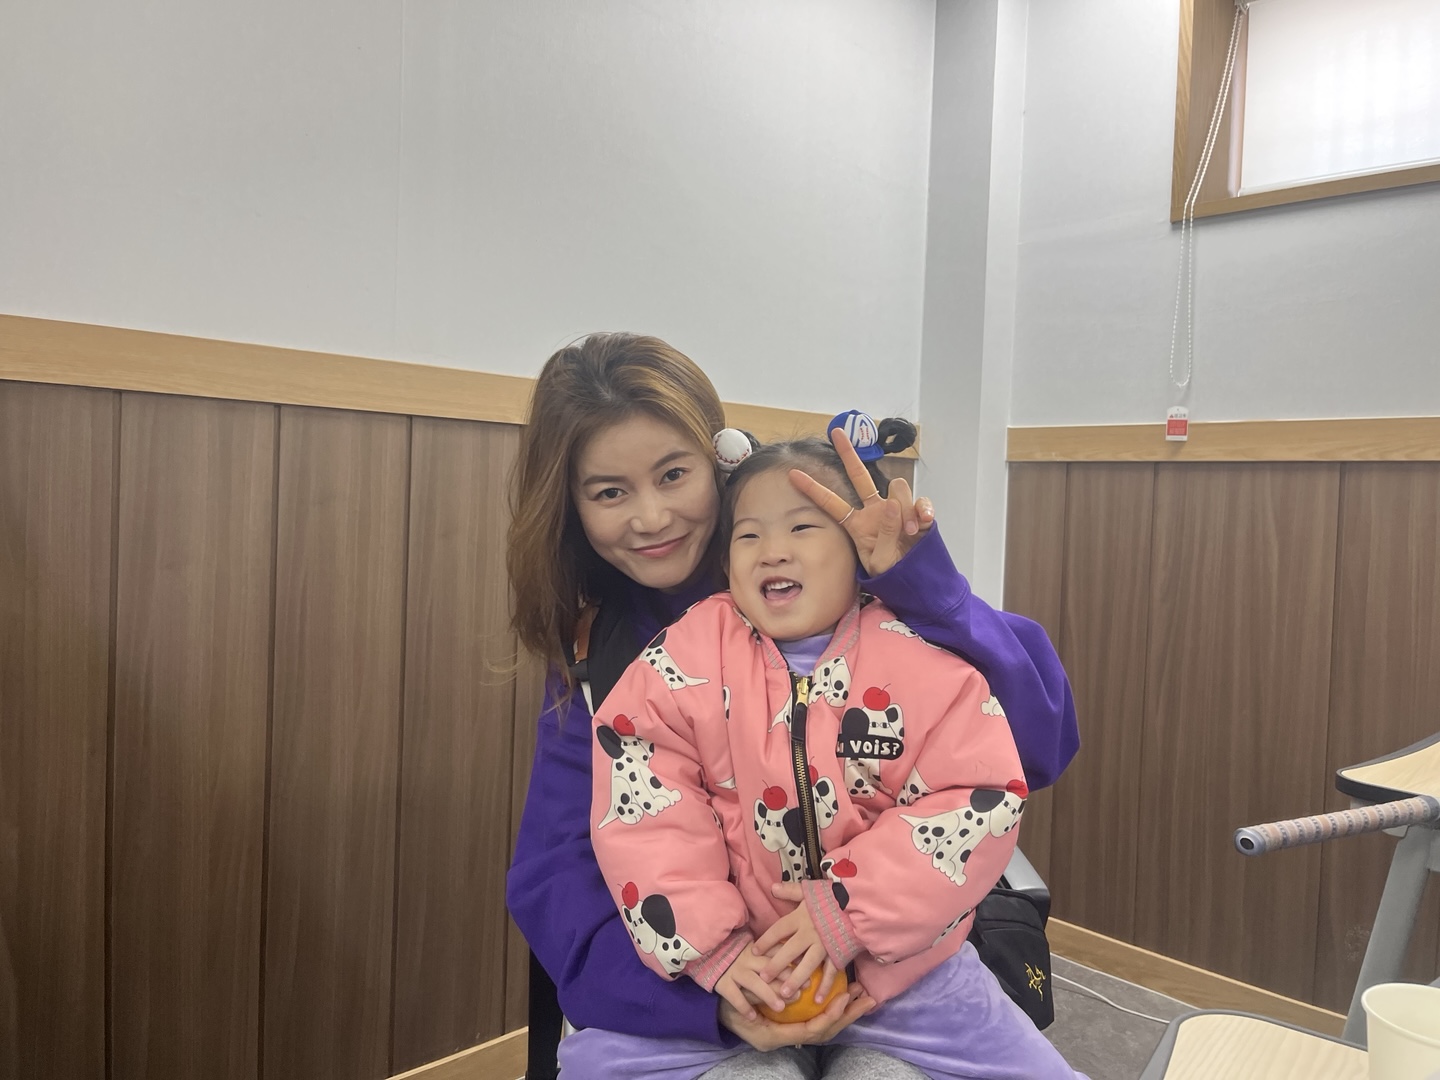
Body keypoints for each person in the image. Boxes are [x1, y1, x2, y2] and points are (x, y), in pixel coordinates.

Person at [505, 333, 1078, 1078]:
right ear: (573, 508)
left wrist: (924, 589)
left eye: (674, 474)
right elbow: (563, 868)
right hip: (717, 988)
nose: (651, 517)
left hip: (898, 970)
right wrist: (710, 996)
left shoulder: (853, 586)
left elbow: (1033, 748)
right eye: (610, 492)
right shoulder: (604, 650)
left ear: (718, 461)